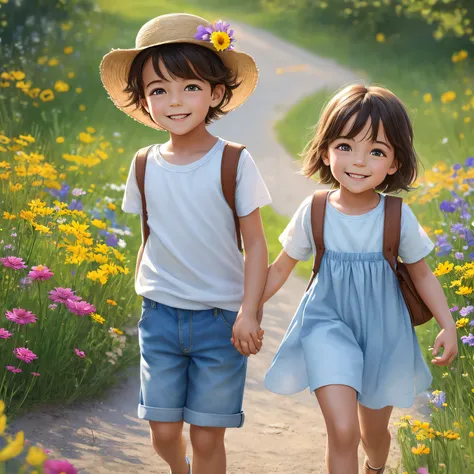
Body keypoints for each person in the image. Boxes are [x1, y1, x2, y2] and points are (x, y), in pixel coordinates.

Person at [100, 13, 271, 474]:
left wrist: (249, 311)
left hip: (220, 321)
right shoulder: (143, 164)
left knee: (208, 436)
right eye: (159, 90)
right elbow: (149, 236)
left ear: (216, 93)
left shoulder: (234, 161)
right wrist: (141, 292)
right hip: (160, 315)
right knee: (163, 432)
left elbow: (256, 245)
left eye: (190, 87)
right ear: (143, 101)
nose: (175, 101)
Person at [261, 84, 458, 474]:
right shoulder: (314, 209)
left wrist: (448, 324)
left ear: (394, 163)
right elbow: (282, 267)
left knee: (373, 434)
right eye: (346, 146)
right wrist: (245, 310)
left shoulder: (396, 216)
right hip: (326, 326)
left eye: (377, 151)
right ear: (325, 150)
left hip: (384, 334)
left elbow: (422, 273)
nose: (359, 162)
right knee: (343, 429)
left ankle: (375, 466)